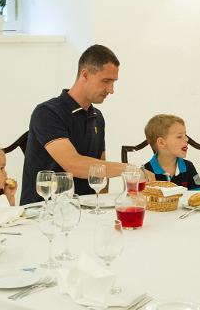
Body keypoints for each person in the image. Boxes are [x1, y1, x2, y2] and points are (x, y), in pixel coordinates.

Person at [20, 45, 152, 205]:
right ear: (85, 75)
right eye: (106, 81)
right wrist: (129, 169)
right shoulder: (47, 112)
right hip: (43, 211)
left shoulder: (97, 117)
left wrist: (101, 205)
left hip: (84, 210)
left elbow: (101, 171)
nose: (111, 90)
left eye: (113, 82)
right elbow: (73, 164)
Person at [143, 114, 200, 190]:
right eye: (179, 136)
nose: (187, 139)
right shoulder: (146, 171)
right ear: (161, 143)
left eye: (185, 135)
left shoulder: (188, 167)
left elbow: (197, 195)